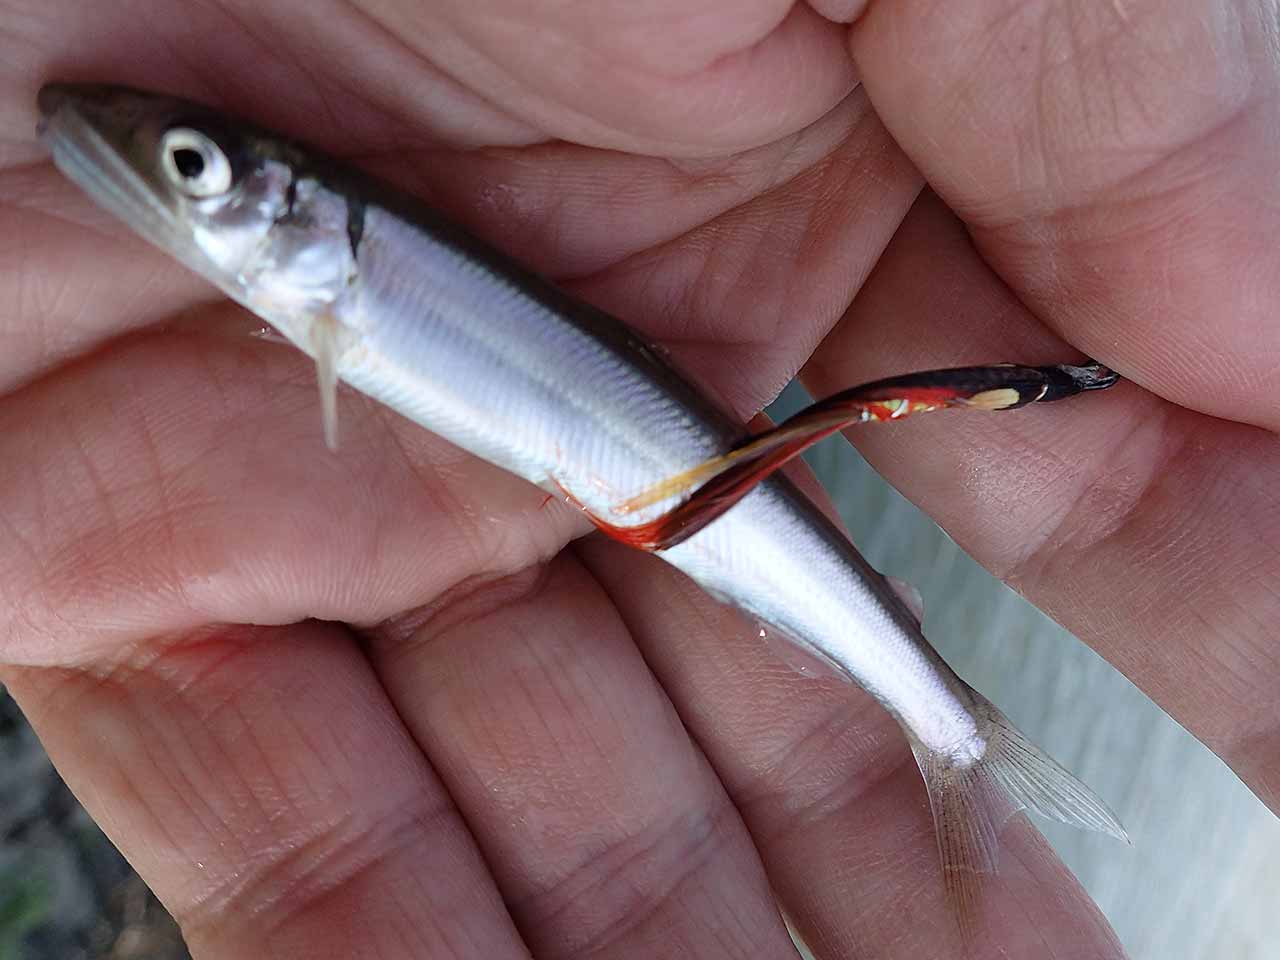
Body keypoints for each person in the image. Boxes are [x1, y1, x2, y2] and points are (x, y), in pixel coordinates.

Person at [3, 2, 1274, 956]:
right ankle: (954, 734)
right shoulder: (315, 268)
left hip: (685, 497)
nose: (174, 182)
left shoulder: (338, 263)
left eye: (194, 171)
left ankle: (954, 734)